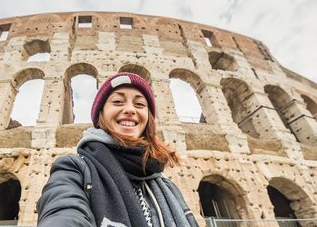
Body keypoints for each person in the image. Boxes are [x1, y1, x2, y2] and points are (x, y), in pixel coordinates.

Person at [37, 72, 199, 227]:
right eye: (118, 102)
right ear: (101, 115)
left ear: (148, 118)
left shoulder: (166, 184)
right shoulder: (74, 169)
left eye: (140, 104)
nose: (130, 109)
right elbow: (63, 212)